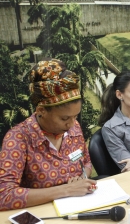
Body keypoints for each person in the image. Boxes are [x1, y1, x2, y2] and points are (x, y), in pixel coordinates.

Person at [0, 59, 96, 211]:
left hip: (78, 209)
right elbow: (4, 196)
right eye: (64, 118)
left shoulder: (74, 128)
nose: (71, 124)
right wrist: (66, 190)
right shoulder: (19, 138)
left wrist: (82, 178)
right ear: (41, 111)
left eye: (75, 116)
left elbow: (86, 163)